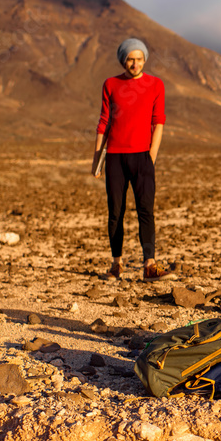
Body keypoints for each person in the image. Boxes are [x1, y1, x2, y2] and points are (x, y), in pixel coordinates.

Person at [93, 37, 176, 282]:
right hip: (115, 158)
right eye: (130, 59)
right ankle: (116, 265)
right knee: (115, 212)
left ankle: (149, 265)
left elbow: (158, 122)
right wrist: (97, 160)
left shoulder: (155, 85)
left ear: (145, 60)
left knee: (145, 210)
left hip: (142, 157)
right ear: (123, 60)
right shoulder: (110, 84)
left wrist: (151, 156)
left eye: (139, 59)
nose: (135, 64)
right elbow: (104, 122)